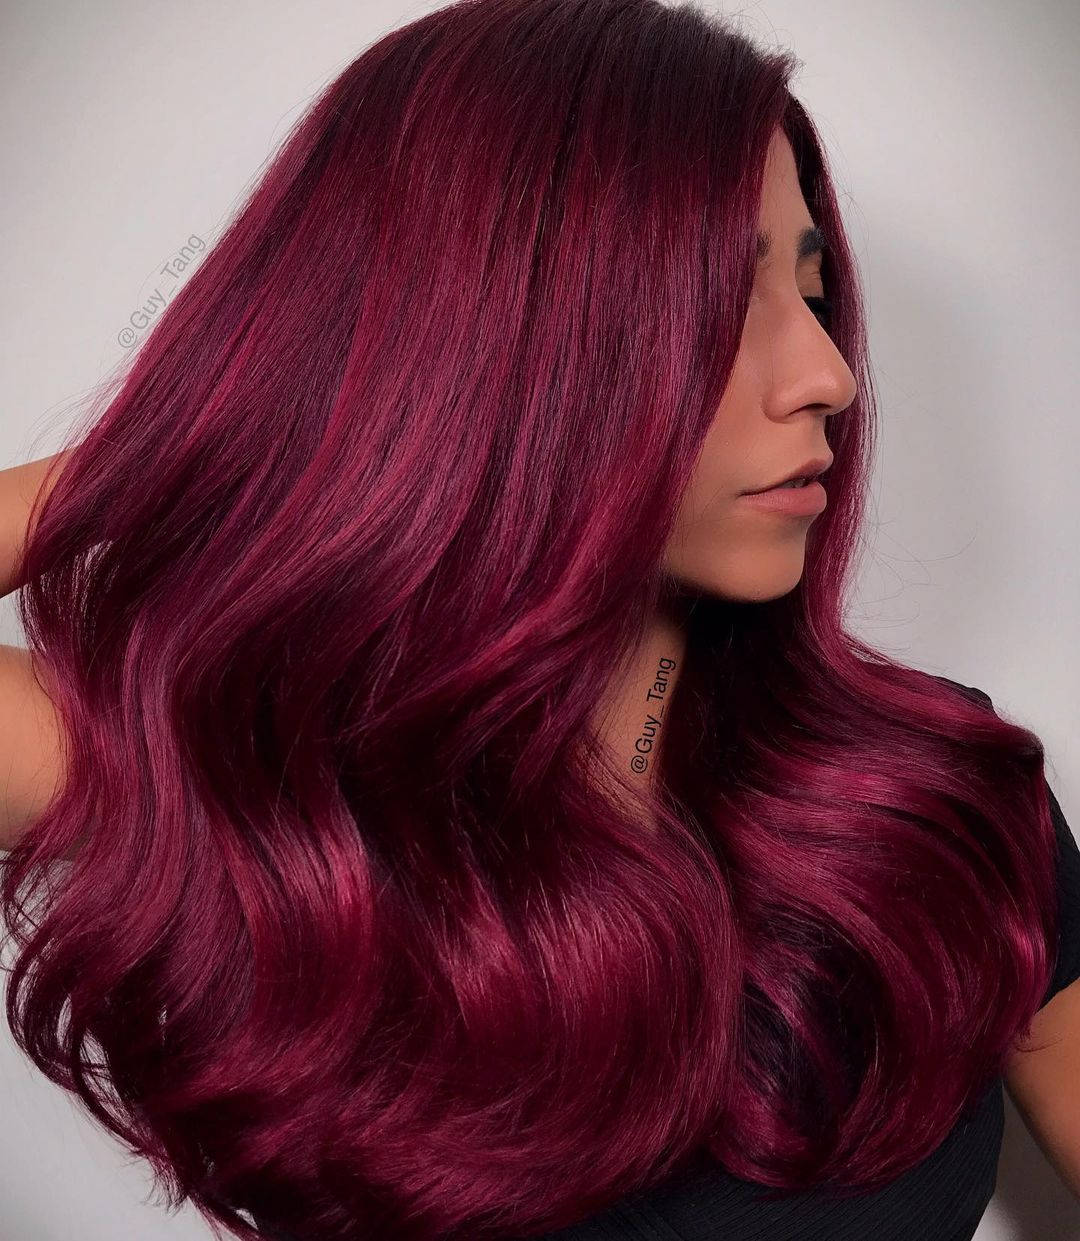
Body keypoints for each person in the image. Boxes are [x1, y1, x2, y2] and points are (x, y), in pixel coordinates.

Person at [1, 1, 1077, 1239]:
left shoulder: (931, 803)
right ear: (486, 347)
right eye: (722, 299)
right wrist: (219, 426)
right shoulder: (264, 803)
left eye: (814, 286)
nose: (829, 372)